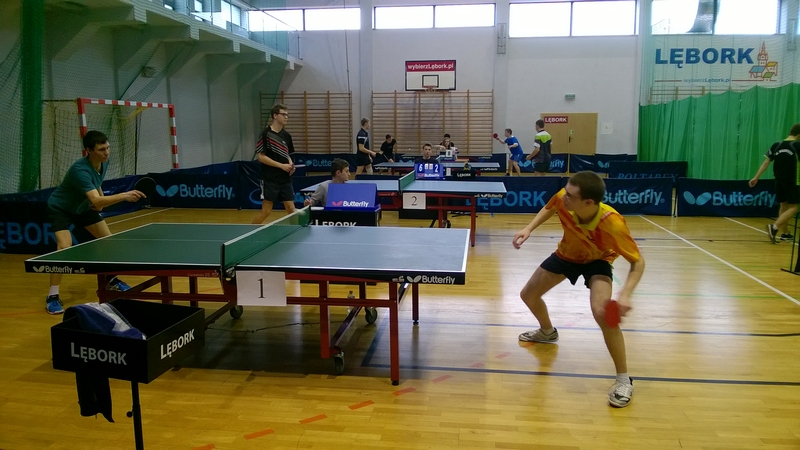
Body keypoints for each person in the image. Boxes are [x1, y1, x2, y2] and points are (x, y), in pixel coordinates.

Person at [512, 171, 645, 408]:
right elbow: (550, 207)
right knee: (528, 295)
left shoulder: (612, 223)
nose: (564, 197)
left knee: (604, 314)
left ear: (588, 202)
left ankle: (624, 380)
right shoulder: (564, 198)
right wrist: (528, 228)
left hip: (598, 261)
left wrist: (625, 295)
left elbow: (638, 261)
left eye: (570, 196)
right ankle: (547, 332)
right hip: (566, 255)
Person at [44, 130, 145, 314]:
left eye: (107, 148)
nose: (106, 152)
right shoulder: (79, 170)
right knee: (64, 247)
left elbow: (97, 183)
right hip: (62, 208)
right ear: (89, 151)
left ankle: (110, 279)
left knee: (108, 241)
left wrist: (100, 199)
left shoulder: (103, 162)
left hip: (83, 208)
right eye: (101, 149)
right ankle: (52, 295)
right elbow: (96, 200)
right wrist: (123, 196)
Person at [750, 124, 800, 243]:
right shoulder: (797, 145)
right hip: (793, 181)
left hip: (778, 180)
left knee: (784, 206)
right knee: (794, 207)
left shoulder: (776, 145)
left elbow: (766, 162)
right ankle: (774, 227)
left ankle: (785, 233)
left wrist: (756, 177)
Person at [251, 104, 297, 224]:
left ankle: (295, 232)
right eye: (284, 114)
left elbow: (287, 154)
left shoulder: (287, 135)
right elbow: (260, 157)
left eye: (287, 115)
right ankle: (249, 231)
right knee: (266, 212)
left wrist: (290, 164)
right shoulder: (265, 134)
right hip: (270, 179)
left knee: (291, 209)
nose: (286, 117)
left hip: (285, 179)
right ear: (275, 116)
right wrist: (281, 166)